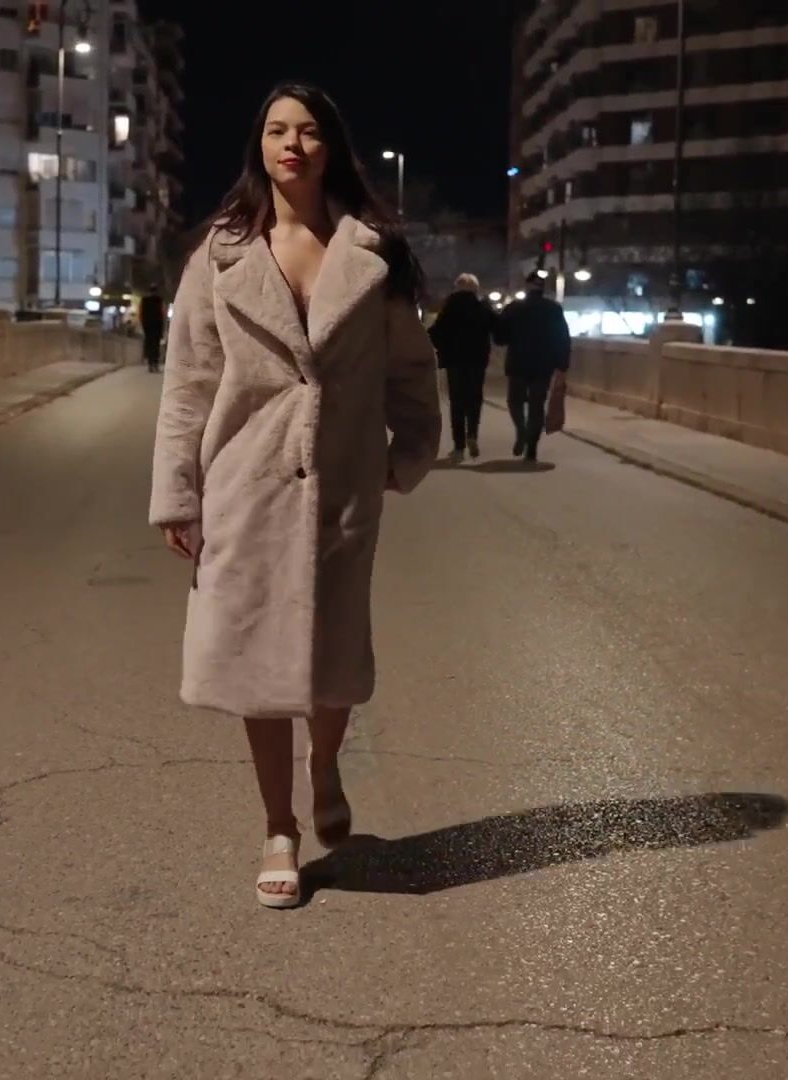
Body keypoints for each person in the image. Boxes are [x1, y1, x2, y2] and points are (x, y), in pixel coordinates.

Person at [149, 82, 442, 909]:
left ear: (330, 147)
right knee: (255, 662)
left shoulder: (372, 254)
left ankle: (326, 763)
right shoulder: (221, 255)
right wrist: (179, 494)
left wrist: (409, 450)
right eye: (278, 130)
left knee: (333, 658)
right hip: (245, 482)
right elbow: (188, 383)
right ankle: (278, 827)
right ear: (260, 145)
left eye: (309, 131)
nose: (292, 144)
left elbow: (410, 367)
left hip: (343, 481)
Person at [493, 271, 571, 462]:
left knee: (515, 401)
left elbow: (499, 337)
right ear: (543, 288)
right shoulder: (553, 309)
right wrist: (562, 365)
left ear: (527, 287)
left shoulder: (514, 308)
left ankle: (521, 430)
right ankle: (532, 448)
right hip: (543, 365)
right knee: (537, 406)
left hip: (518, 363)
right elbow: (562, 338)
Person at [428, 272, 498, 462]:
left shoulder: (450, 308)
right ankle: (472, 434)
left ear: (457, 288)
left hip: (455, 361)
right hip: (477, 361)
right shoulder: (482, 307)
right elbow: (498, 329)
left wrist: (441, 348)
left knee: (457, 403)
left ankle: (459, 446)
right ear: (476, 288)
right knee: (475, 399)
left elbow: (435, 332)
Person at [138, 290, 166, 373]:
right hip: (157, 326)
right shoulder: (159, 300)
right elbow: (163, 314)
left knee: (148, 344)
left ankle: (150, 363)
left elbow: (140, 314)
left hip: (147, 326)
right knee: (156, 345)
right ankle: (155, 364)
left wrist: (143, 324)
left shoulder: (144, 300)